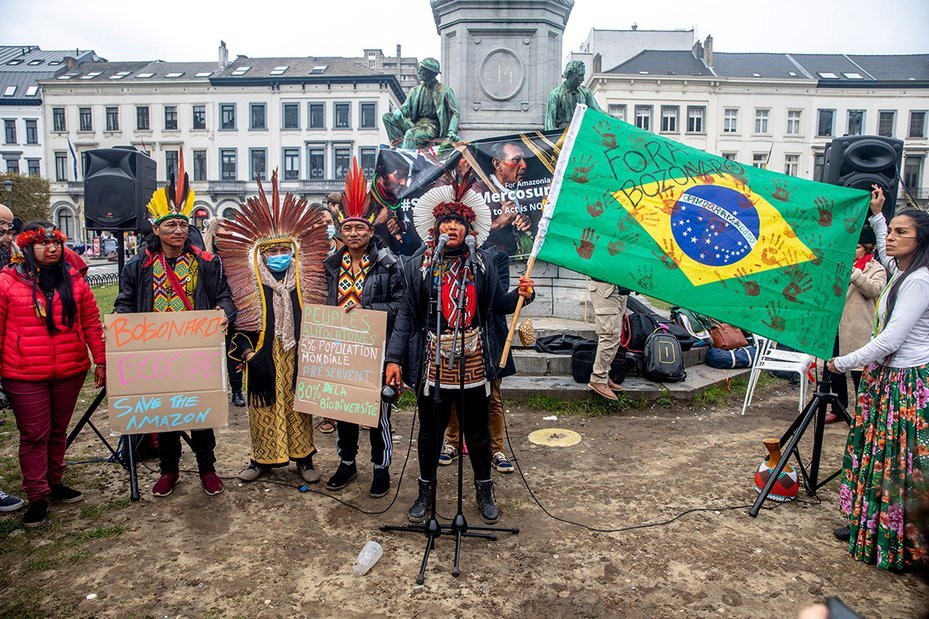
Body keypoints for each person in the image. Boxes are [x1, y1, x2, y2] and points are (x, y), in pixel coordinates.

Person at [384, 173, 534, 524]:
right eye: (445, 222)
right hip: (432, 360)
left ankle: (484, 490)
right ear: (434, 230)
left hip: (474, 360)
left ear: (470, 229)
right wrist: (394, 358)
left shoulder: (483, 264)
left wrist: (524, 296)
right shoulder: (417, 267)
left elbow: (498, 304)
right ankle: (425, 492)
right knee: (430, 433)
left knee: (478, 432)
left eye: (458, 222)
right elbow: (406, 316)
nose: (451, 227)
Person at [114, 154, 234, 498]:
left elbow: (225, 298)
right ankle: (169, 469)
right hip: (157, 352)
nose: (178, 230)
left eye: (183, 224)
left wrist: (224, 313)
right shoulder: (138, 267)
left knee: (199, 413)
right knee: (166, 414)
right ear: (157, 229)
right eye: (171, 225)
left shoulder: (208, 263)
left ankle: (207, 468)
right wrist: (121, 323)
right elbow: (123, 303)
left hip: (197, 350)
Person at [826, 185, 929, 572]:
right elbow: (886, 256)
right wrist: (877, 214)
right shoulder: (905, 272)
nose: (891, 237)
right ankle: (869, 523)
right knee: (879, 454)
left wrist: (842, 362)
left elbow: (891, 338)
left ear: (921, 242)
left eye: (902, 232)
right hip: (889, 379)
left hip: (906, 382)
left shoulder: (919, 280)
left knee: (897, 462)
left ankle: (897, 536)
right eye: (892, 230)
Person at [218, 171, 330, 485]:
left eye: (284, 251)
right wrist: (249, 353)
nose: (279, 257)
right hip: (263, 355)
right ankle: (262, 459)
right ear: (260, 255)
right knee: (263, 408)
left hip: (298, 353)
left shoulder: (306, 281)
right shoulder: (248, 284)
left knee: (300, 407)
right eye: (272, 252)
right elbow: (237, 325)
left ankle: (305, 459)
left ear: (294, 252)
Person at [0, 221, 106, 527]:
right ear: (27, 248)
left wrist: (100, 361)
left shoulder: (73, 280)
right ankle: (37, 495)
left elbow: (90, 322)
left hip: (69, 370)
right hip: (24, 373)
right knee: (34, 435)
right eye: (43, 244)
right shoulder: (8, 281)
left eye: (56, 243)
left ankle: (54, 480)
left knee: (58, 430)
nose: (52, 249)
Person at [324, 159, 404, 497]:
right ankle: (346, 463)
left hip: (377, 349)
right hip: (341, 350)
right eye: (348, 229)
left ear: (371, 231)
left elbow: (402, 307)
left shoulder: (388, 264)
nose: (354, 234)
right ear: (341, 232)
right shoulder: (329, 265)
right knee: (344, 410)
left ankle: (380, 467)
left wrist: (368, 310)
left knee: (378, 414)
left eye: (360, 229)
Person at [440, 246, 517, 473]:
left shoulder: (495, 258)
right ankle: (452, 443)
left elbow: (500, 300)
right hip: (448, 340)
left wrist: (523, 295)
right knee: (452, 395)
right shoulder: (437, 257)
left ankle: (497, 450)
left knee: (492, 397)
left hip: (487, 339)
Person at [822, 227, 887, 423]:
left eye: (858, 247)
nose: (853, 250)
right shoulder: (840, 264)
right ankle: (838, 407)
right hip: (835, 326)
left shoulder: (876, 268)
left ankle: (864, 413)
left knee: (860, 371)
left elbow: (875, 290)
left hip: (857, 326)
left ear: (867, 249)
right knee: (833, 369)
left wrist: (856, 275)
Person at [203, 216, 247, 408]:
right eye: (222, 235)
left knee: (234, 352)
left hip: (236, 310)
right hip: (212, 311)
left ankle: (236, 391)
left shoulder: (239, 257)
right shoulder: (207, 259)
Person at [382, 58, 461, 150]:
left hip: (431, 127)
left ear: (431, 73)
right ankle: (401, 146)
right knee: (387, 117)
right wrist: (400, 111)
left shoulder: (445, 91)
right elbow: (406, 108)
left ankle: (404, 160)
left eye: (422, 70)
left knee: (410, 134)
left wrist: (452, 131)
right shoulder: (415, 91)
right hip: (415, 125)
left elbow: (455, 113)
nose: (419, 72)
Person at [316, 206, 341, 435]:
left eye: (327, 221)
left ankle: (359, 408)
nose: (324, 227)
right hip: (319, 314)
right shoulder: (306, 253)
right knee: (327, 366)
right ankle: (328, 415)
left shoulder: (343, 248)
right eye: (319, 223)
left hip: (343, 310)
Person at [483, 141, 533, 256]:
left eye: (524, 160)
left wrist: (527, 222)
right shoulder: (479, 191)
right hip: (492, 264)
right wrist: (498, 222)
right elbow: (466, 231)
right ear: (497, 164)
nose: (524, 165)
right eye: (516, 160)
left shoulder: (530, 191)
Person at [586, 280, 629, 400]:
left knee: (615, 336)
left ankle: (603, 375)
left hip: (619, 287)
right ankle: (598, 379)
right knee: (609, 335)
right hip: (606, 287)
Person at [544, 60, 604, 131]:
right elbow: (549, 123)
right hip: (562, 136)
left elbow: (598, 111)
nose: (583, 79)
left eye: (583, 75)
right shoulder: (555, 94)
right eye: (580, 75)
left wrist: (613, 118)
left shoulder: (587, 93)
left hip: (581, 134)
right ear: (570, 74)